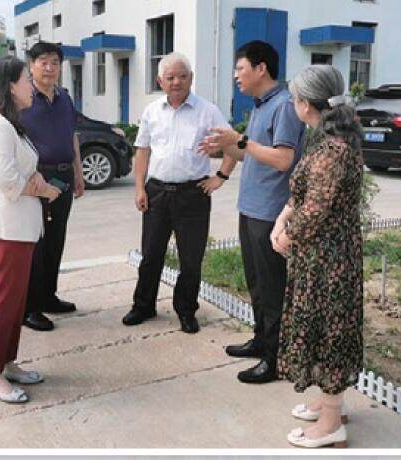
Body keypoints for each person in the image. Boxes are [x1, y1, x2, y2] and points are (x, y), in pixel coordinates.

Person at [200, 40, 305, 382]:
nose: (236, 76)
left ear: (261, 69)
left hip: (271, 213)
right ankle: (262, 341)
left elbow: (283, 159)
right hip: (251, 208)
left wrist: (241, 141)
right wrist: (225, 147)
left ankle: (274, 360)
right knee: (257, 283)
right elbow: (251, 154)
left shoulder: (284, 106)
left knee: (272, 288)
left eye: (240, 69)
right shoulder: (262, 105)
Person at [273, 65, 363, 448]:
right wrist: (282, 218)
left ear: (305, 104)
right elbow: (304, 196)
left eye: (294, 98)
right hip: (324, 254)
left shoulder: (332, 151)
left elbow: (315, 209)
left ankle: (331, 424)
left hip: (329, 260)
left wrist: (286, 235)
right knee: (324, 328)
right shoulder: (327, 141)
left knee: (329, 331)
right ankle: (330, 403)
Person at [122, 52, 236, 334]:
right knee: (151, 254)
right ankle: (143, 306)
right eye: (170, 77)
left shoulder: (208, 111)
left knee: (191, 258)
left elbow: (233, 145)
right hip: (157, 193)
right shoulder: (152, 111)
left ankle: (186, 311)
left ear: (191, 79)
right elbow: (142, 151)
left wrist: (221, 176)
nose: (177, 82)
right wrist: (139, 188)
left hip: (193, 194)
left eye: (182, 76)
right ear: (160, 81)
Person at [0, 56, 61, 403]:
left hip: (20, 231)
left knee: (15, 305)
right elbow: (8, 182)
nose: (32, 87)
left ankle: (7, 363)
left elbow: (24, 168)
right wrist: (43, 190)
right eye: (26, 80)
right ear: (10, 86)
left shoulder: (12, 125)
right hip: (3, 232)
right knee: (2, 305)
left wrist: (35, 178)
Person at [19, 41, 86, 332]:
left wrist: (78, 172)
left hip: (63, 177)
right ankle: (30, 308)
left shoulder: (64, 98)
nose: (49, 68)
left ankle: (48, 296)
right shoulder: (23, 98)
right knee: (36, 244)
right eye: (43, 62)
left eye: (55, 63)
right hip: (37, 179)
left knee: (56, 240)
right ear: (31, 65)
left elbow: (72, 135)